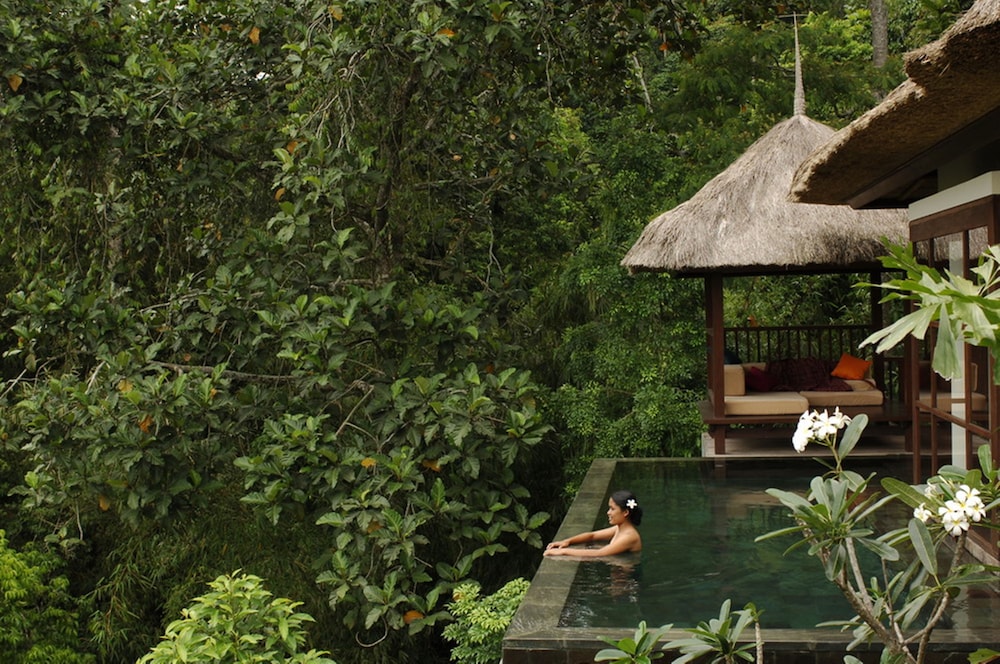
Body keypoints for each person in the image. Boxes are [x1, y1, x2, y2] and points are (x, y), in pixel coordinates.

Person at [544, 490, 642, 557]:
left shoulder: (629, 537)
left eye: (612, 509)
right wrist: (567, 541)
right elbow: (592, 536)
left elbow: (599, 553)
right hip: (620, 575)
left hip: (627, 581)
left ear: (625, 512)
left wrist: (563, 552)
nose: (608, 512)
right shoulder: (619, 528)